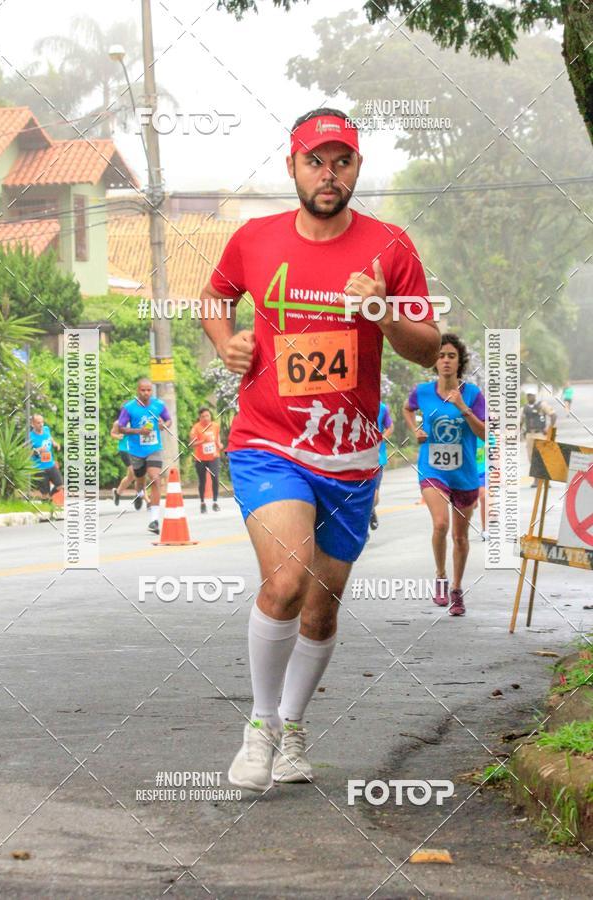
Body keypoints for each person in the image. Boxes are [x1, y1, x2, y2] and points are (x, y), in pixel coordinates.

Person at [198, 107, 440, 791]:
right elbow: (214, 298)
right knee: (286, 582)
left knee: (321, 606)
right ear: (293, 167)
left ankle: (294, 728)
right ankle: (260, 728)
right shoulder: (255, 239)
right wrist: (225, 341)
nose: (328, 174)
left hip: (351, 456)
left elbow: (429, 347)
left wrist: (381, 312)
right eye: (315, 161)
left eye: (342, 162)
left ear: (357, 167)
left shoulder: (390, 247)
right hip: (268, 441)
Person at [403, 334, 486, 616]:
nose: (446, 360)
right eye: (441, 356)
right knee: (440, 524)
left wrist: (463, 408)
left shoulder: (472, 394)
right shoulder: (422, 392)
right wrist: (416, 429)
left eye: (451, 356)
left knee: (460, 538)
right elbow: (407, 408)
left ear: (459, 361)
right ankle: (440, 576)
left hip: (464, 475)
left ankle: (457, 589)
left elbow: (484, 434)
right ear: (435, 362)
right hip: (433, 469)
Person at [117, 378, 171, 534]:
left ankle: (154, 520)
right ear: (137, 390)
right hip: (136, 450)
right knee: (140, 481)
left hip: (154, 448)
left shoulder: (159, 405)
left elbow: (169, 420)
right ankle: (139, 493)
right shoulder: (129, 408)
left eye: (148, 390)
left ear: (151, 391)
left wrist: (163, 425)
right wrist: (138, 431)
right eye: (143, 390)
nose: (146, 393)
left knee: (155, 478)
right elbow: (120, 428)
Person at [189, 407, 223, 512]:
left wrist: (220, 444)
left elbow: (217, 439)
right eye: (203, 416)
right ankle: (202, 503)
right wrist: (202, 441)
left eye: (207, 415)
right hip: (200, 458)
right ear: (200, 418)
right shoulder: (196, 428)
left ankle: (215, 502)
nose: (206, 418)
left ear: (210, 416)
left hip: (214, 457)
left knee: (215, 477)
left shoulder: (215, 426)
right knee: (202, 480)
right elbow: (191, 444)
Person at [110, 419, 149, 509]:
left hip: (137, 450)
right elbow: (112, 433)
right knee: (137, 474)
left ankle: (117, 492)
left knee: (130, 477)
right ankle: (147, 500)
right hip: (125, 450)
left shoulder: (139, 420)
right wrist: (118, 436)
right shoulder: (119, 422)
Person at [521, 390, 556, 487]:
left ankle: (546, 480)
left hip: (540, 434)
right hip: (529, 435)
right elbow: (520, 422)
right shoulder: (524, 408)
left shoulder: (542, 405)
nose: (530, 397)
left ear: (535, 396)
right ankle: (536, 481)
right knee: (532, 458)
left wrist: (549, 429)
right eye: (528, 395)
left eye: (531, 395)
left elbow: (553, 415)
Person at [369, 400, 393, 530]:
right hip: (357, 458)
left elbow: (390, 427)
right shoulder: (353, 403)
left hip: (377, 457)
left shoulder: (382, 408)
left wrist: (381, 438)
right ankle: (363, 527)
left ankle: (371, 510)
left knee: (375, 497)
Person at [29, 414, 63, 499]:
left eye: (42, 422)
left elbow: (50, 438)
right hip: (40, 468)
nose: (41, 425)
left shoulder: (46, 429)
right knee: (44, 494)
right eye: (38, 423)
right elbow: (27, 453)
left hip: (51, 465)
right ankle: (46, 501)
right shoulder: (30, 436)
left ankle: (49, 496)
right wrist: (39, 450)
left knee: (60, 485)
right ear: (32, 424)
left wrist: (55, 443)